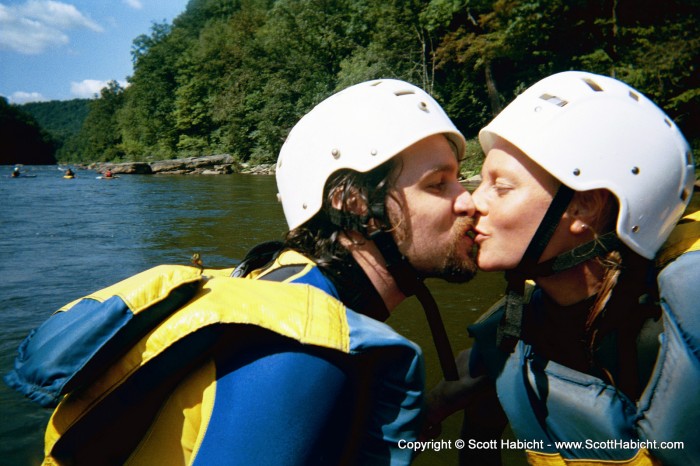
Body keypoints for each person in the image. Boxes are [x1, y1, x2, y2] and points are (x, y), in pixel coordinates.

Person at [5, 79, 477, 465]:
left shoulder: (277, 280)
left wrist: (433, 407)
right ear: (353, 204)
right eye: (439, 183)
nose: (468, 199)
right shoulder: (304, 353)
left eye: (459, 177)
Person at [426, 71, 698, 465]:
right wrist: (431, 408)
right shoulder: (509, 336)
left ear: (584, 207)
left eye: (500, 187)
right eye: (480, 181)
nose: (471, 204)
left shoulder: (675, 329)